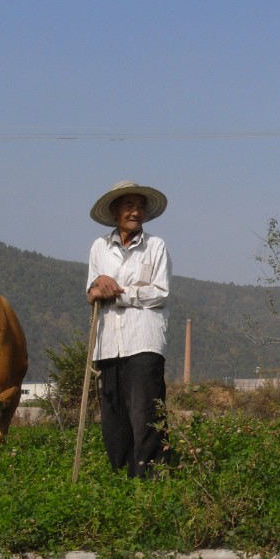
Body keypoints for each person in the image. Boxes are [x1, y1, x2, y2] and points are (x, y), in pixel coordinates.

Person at [87, 180, 173, 478]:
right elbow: (91, 293)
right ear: (114, 212)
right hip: (108, 345)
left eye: (139, 206)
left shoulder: (156, 246)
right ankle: (119, 482)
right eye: (128, 206)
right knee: (114, 420)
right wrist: (99, 288)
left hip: (144, 344)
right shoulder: (99, 247)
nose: (135, 212)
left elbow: (159, 292)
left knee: (145, 416)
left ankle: (149, 482)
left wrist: (118, 292)